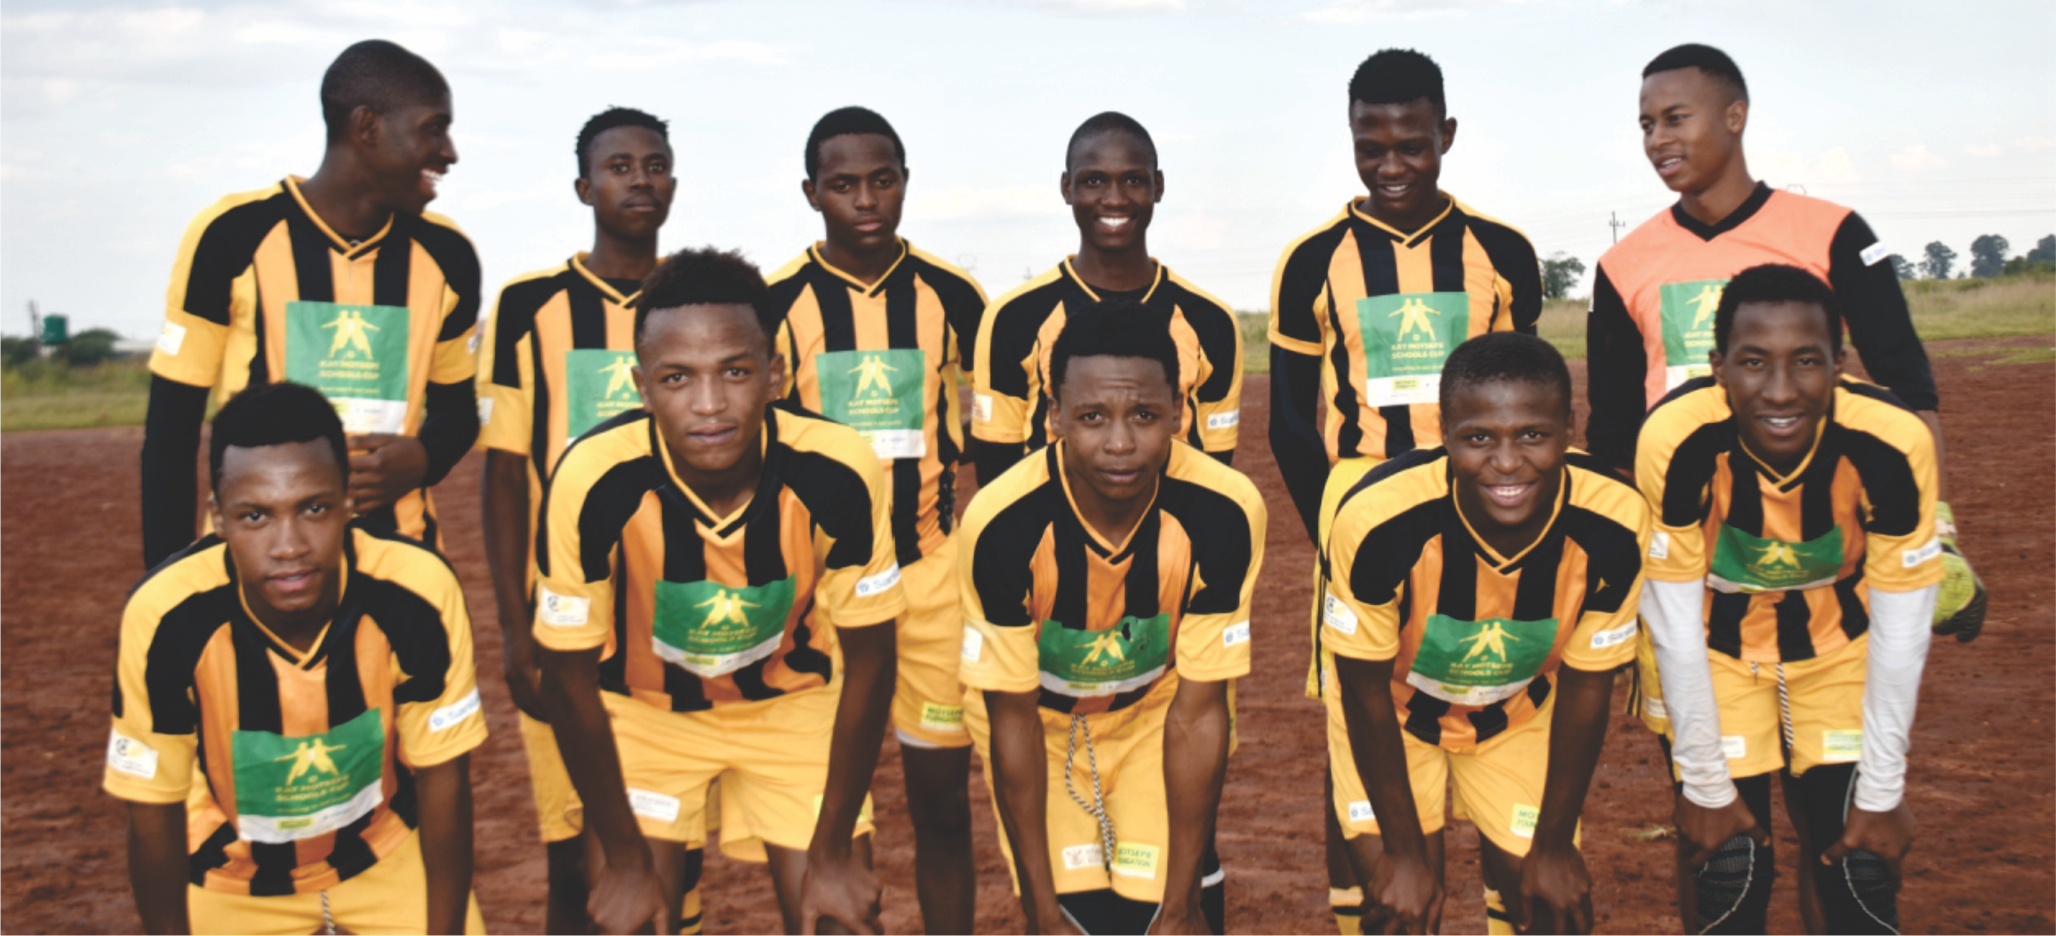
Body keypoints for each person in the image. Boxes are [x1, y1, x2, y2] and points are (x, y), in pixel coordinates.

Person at [531, 247, 899, 936]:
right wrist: (625, 860)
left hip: (790, 708)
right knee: (629, 921)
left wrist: (832, 851)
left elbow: (873, 659)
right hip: (647, 716)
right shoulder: (593, 477)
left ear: (775, 375)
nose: (709, 405)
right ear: (642, 387)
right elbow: (568, 676)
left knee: (840, 919)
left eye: (734, 371)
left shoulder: (838, 469)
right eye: (677, 377)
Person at [1265, 49, 1542, 934]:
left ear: (1445, 136)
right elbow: (1289, 422)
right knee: (1361, 713)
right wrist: (1338, 530)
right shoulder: (1312, 260)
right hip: (1363, 516)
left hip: (1487, 515)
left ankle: (1508, 897)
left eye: (1411, 145)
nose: (1391, 165)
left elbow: (1530, 389)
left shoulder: (1502, 252)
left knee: (1492, 686)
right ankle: (1366, 907)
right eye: (1370, 146)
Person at [1587, 43, 1981, 651]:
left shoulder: (1833, 233)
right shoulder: (1622, 264)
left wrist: (1938, 535)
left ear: (1734, 116)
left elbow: (1907, 392)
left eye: (1675, 118)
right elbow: (1615, 434)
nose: (1658, 139)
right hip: (1692, 555)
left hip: (1828, 542)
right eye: (1646, 125)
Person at [105, 382, 488, 936]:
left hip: (384, 852)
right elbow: (151, 808)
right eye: (255, 516)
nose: (289, 545)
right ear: (218, 518)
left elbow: (444, 776)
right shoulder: (166, 615)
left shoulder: (416, 589)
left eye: (313, 508)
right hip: (227, 877)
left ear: (349, 502)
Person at [1637, 264, 1941, 935]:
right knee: (1729, 867)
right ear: (1718, 368)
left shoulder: (1891, 441)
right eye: (1753, 362)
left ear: (1839, 365)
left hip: (1838, 650)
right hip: (1714, 651)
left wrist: (1883, 791)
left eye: (1806, 361)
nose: (1780, 390)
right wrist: (1705, 785)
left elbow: (1903, 627)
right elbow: (1673, 622)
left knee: (1860, 869)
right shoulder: (1675, 438)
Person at [473, 106, 713, 935]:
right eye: (619, 167)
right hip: (569, 620)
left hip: (677, 615)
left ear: (673, 183)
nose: (640, 180)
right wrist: (515, 630)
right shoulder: (528, 306)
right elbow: (505, 474)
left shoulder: (700, 303)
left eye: (655, 165)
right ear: (584, 187)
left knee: (676, 849)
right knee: (575, 855)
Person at [1320, 332, 1646, 936]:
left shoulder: (1616, 522)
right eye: (1478, 438)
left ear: (1569, 429)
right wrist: (1403, 854)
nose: (1507, 461)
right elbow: (1362, 691)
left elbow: (1588, 685)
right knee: (1401, 911)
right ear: (1444, 433)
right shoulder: (1377, 521)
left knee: (1555, 911)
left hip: (1518, 711)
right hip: (1394, 714)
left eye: (1533, 435)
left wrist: (1553, 845)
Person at [959, 312, 1265, 936]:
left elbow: (1199, 712)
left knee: (1154, 917)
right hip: (1042, 727)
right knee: (1081, 920)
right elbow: (1011, 717)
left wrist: (1182, 904)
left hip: (1154, 714)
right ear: (1055, 415)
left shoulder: (1225, 512)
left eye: (1144, 415)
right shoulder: (1001, 524)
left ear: (1178, 413)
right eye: (1093, 416)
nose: (1120, 443)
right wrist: (1042, 911)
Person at [761, 105, 987, 935]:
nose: (865, 200)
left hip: (929, 580)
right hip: (820, 593)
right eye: (844, 184)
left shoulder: (954, 295)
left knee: (942, 805)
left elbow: (992, 434)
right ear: (811, 192)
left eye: (882, 180)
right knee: (827, 813)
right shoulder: (775, 302)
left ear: (904, 182)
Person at [140, 39, 480, 569]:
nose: (449, 151)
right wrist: (167, 582)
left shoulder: (448, 255)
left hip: (400, 565)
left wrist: (425, 458)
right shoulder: (232, 235)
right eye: (433, 128)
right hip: (254, 571)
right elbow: (171, 431)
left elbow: (457, 413)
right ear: (368, 126)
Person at [971, 111, 1241, 484]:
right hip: (1050, 524)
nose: (1115, 199)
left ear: (1158, 186)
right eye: (1094, 180)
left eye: (1133, 180)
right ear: (1067, 188)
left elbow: (1216, 472)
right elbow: (996, 475)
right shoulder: (1012, 317)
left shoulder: (1212, 322)